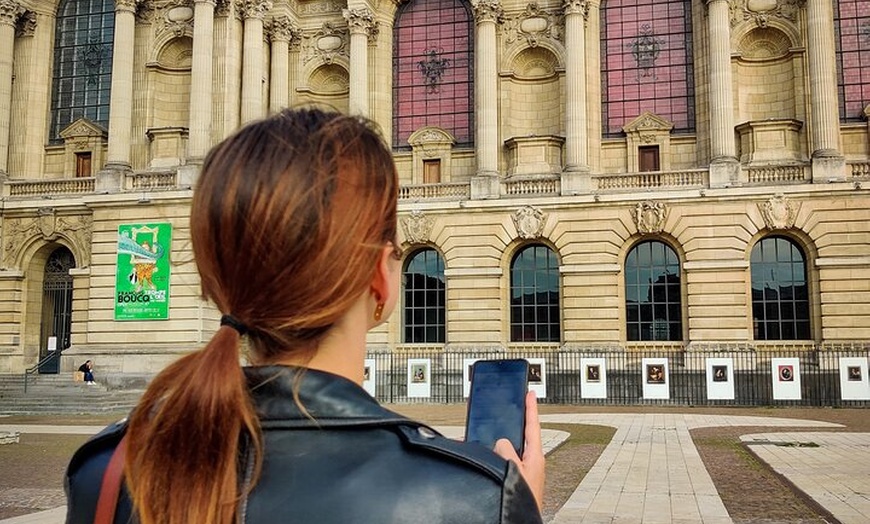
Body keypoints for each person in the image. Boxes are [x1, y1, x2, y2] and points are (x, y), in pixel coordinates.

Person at [65, 108, 545, 524]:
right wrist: (517, 507)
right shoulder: (474, 496)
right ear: (380, 277)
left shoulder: (105, 470)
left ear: (216, 283)